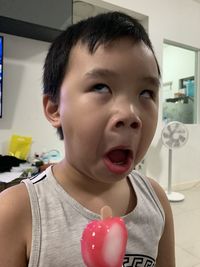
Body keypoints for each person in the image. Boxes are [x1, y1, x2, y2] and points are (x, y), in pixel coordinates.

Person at [0, 11, 175, 267]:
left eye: (146, 93)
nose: (130, 114)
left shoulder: (155, 200)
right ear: (55, 108)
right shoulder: (16, 211)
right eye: (101, 87)